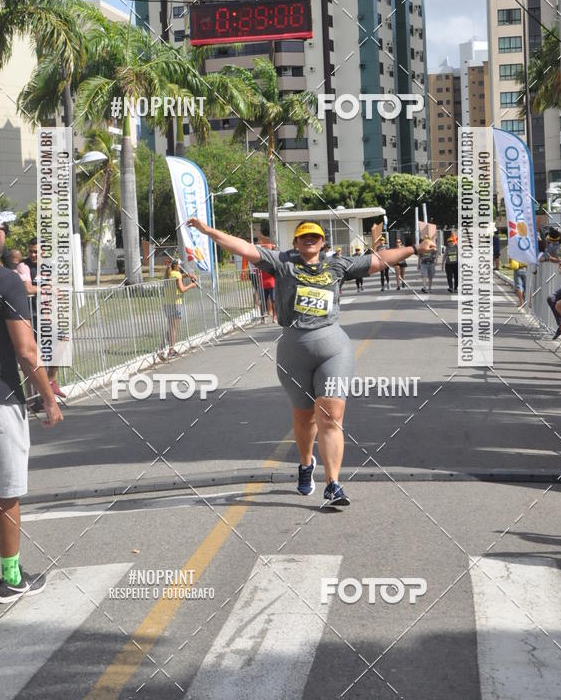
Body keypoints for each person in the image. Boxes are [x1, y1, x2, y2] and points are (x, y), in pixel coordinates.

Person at [186, 215, 434, 507]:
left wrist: (415, 249)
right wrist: (207, 230)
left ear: (322, 242)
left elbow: (378, 260)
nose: (309, 240)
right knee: (304, 419)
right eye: (304, 236)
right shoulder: (281, 263)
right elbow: (242, 247)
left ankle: (333, 485)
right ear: (295, 242)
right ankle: (306, 464)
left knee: (331, 416)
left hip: (333, 349)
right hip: (294, 351)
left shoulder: (337, 265)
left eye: (314, 236)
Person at [0, 201, 63, 620]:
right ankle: (10, 578)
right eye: (2, 229)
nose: (5, 235)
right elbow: (26, 351)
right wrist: (49, 398)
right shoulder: (6, 280)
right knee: (5, 494)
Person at [18, 238, 65, 401]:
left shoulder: (48, 266)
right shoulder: (24, 266)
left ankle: (51, 379)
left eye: (36, 252)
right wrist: (48, 290)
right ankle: (32, 398)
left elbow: (53, 287)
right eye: (31, 251)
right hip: (29, 316)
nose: (33, 255)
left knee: (62, 339)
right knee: (33, 357)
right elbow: (28, 288)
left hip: (45, 316)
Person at [161, 259, 197, 358]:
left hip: (167, 304)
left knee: (170, 328)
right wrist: (192, 285)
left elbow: (179, 277)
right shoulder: (177, 274)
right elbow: (182, 289)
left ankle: (162, 348)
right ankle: (170, 350)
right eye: (179, 265)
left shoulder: (168, 274)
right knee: (173, 329)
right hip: (176, 304)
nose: (181, 267)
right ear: (176, 266)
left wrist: (188, 275)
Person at [543, 229, 561, 339]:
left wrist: (560, 261)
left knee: (558, 305)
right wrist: (559, 262)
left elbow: (547, 257)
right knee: (551, 299)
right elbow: (545, 257)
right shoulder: (559, 247)